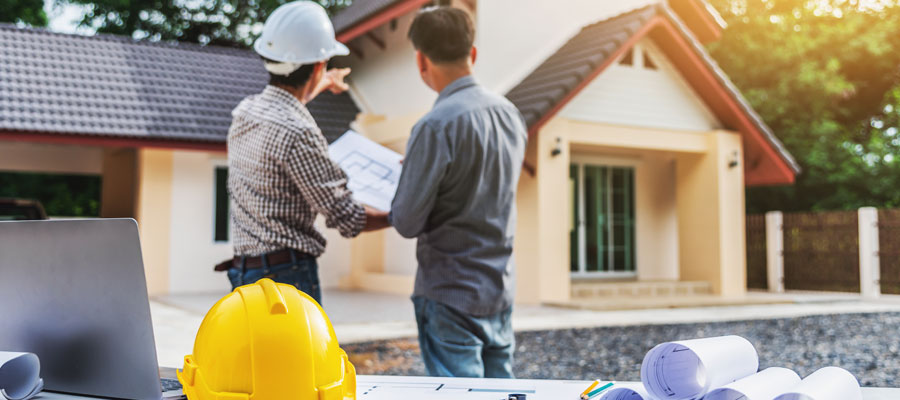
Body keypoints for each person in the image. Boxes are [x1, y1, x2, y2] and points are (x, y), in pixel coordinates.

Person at [389, 7, 528, 378]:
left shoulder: (434, 126)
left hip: (449, 293)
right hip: (498, 288)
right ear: (474, 53)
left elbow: (405, 220)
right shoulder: (511, 115)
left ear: (421, 60)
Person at [221, 1, 389, 304]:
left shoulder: (245, 112)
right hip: (287, 280)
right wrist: (404, 214)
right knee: (296, 354)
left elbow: (287, 104)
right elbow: (347, 218)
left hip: (245, 276)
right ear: (318, 65)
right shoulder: (300, 133)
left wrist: (323, 81)